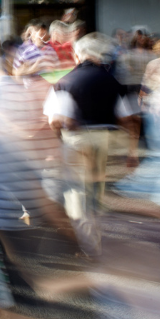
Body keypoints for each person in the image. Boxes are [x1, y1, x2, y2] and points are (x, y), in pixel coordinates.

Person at [46, 32, 135, 257]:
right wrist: (131, 151)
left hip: (76, 140)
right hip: (104, 137)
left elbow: (55, 120)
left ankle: (88, 245)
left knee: (77, 192)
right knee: (96, 189)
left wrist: (57, 143)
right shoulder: (113, 81)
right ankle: (95, 234)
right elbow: (126, 118)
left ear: (78, 54)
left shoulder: (64, 81)